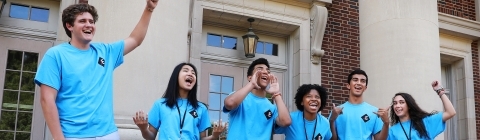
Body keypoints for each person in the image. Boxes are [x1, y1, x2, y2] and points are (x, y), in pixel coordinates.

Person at [34, 1, 157, 139]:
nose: (89, 25)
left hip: (108, 134)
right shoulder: (55, 55)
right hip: (74, 136)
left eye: (91, 21)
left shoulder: (106, 52)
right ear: (69, 26)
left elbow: (135, 39)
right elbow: (47, 99)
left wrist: (149, 9)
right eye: (82, 21)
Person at [133, 63, 225, 140]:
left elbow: (202, 138)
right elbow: (151, 137)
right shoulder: (160, 105)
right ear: (176, 76)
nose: (190, 74)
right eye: (185, 70)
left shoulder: (201, 108)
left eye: (193, 73)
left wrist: (214, 136)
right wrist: (143, 129)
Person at [223, 58, 291, 139]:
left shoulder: (272, 107)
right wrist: (252, 84)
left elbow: (286, 122)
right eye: (260, 69)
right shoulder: (240, 99)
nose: (265, 72)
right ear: (250, 77)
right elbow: (229, 103)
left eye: (268, 71)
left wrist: (276, 94)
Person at [329, 69, 389, 140]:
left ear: (365, 88)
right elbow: (332, 139)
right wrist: (331, 120)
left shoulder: (374, 111)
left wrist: (386, 123)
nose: (359, 83)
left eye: (363, 81)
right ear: (348, 85)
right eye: (355, 80)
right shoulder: (336, 111)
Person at [387, 80, 456, 140]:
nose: (397, 106)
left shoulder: (425, 121)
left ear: (409, 106)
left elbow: (451, 112)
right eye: (395, 103)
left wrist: (440, 91)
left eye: (401, 102)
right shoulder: (392, 131)